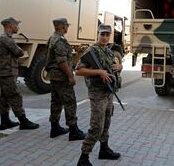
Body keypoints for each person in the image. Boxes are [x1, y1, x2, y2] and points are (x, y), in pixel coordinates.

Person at [75, 24, 123, 166]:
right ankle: (83, 158)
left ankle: (104, 150)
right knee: (96, 126)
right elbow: (78, 71)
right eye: (102, 34)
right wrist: (99, 72)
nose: (104, 37)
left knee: (106, 122)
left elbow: (115, 68)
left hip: (108, 92)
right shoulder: (92, 51)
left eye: (107, 35)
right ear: (98, 34)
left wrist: (119, 67)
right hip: (97, 94)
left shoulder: (108, 51)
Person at [0, 17, 39, 130]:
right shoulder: (5, 38)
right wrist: (20, 52)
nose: (18, 26)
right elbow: (19, 52)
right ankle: (23, 121)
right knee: (15, 96)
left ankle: (5, 121)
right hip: (6, 72)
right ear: (10, 25)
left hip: (5, 72)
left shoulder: (3, 38)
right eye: (16, 24)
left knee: (5, 97)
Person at [45, 18, 85, 140]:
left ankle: (55, 128)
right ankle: (73, 131)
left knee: (56, 101)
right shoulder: (59, 41)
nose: (68, 27)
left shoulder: (53, 37)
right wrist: (70, 76)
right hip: (61, 77)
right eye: (67, 25)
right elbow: (62, 62)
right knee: (70, 102)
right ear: (63, 26)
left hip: (54, 76)